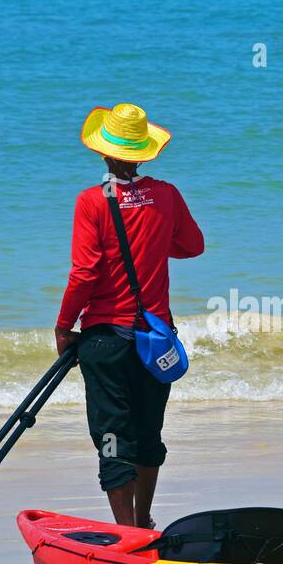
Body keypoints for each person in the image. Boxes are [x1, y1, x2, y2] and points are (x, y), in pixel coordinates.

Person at [55, 102, 204, 528]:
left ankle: (125, 534)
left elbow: (84, 272)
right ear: (141, 153)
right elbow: (193, 246)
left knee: (111, 437)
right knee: (147, 433)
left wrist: (64, 326)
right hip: (154, 337)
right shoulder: (167, 195)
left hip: (105, 338)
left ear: (104, 153)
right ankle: (143, 521)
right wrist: (153, 241)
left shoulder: (91, 202)